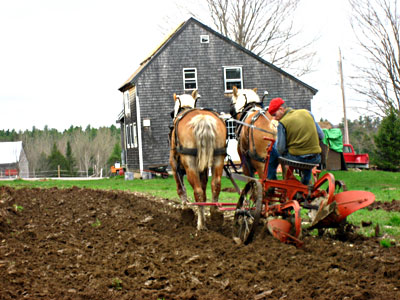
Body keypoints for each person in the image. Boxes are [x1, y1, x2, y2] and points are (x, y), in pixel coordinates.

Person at [267, 97, 324, 185]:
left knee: (273, 149)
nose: (274, 118)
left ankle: (271, 180)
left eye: (274, 114)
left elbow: (280, 149)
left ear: (281, 109)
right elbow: (321, 135)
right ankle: (306, 183)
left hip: (297, 158)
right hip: (315, 158)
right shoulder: (308, 113)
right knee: (306, 154)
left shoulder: (282, 123)